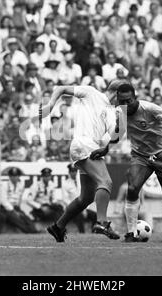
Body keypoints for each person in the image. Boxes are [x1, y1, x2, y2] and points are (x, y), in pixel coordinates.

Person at [96, 83, 162, 242]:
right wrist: (105, 149)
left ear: (135, 97)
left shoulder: (149, 108)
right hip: (140, 155)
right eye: (122, 101)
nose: (126, 104)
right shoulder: (121, 111)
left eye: (129, 100)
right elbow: (119, 132)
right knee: (132, 188)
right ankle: (131, 233)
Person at [40, 83, 122, 242]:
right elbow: (61, 88)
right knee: (105, 182)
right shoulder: (92, 92)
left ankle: (58, 227)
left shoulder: (112, 112)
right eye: (125, 97)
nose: (126, 102)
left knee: (86, 197)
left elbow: (113, 137)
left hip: (87, 148)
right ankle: (102, 222)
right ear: (117, 93)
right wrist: (51, 105)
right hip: (84, 144)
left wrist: (121, 125)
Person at [0, 167, 38, 234]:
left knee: (26, 217)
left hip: (16, 207)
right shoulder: (4, 185)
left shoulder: (21, 184)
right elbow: (3, 201)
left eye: (16, 176)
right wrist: (13, 211)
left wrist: (18, 209)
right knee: (16, 219)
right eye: (12, 176)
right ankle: (28, 231)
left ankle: (34, 231)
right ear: (9, 177)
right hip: (6, 209)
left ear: (18, 176)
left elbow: (19, 198)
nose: (14, 177)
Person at [61, 163, 97, 233]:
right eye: (72, 171)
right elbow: (65, 199)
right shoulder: (65, 183)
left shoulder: (81, 181)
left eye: (75, 171)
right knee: (79, 216)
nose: (73, 173)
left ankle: (94, 233)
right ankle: (82, 233)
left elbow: (86, 196)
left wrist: (85, 209)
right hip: (72, 209)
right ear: (69, 172)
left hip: (84, 208)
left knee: (95, 215)